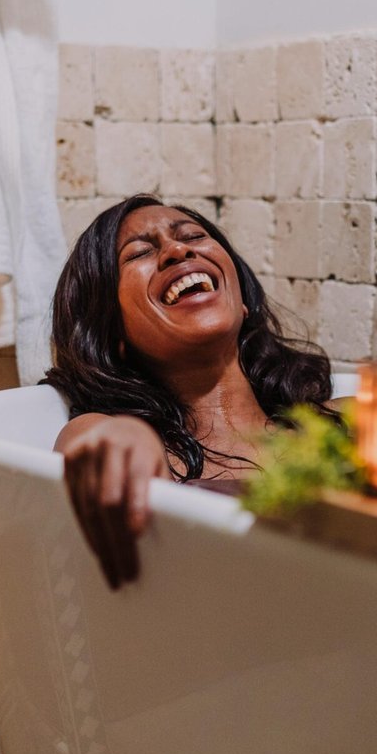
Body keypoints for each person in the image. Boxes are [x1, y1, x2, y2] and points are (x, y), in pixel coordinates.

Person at [44, 195, 333, 588]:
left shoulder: (335, 425)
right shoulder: (118, 437)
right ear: (111, 332)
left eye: (193, 236)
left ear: (244, 301)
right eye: (139, 253)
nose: (178, 251)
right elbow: (92, 446)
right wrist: (126, 435)